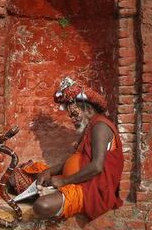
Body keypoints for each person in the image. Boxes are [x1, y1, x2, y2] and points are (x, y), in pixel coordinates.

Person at [16, 77, 124, 221]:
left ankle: (47, 194)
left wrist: (64, 182)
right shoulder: (89, 127)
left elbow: (97, 167)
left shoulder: (100, 127)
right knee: (17, 176)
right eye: (70, 115)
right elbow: (77, 159)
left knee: (42, 206)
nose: (72, 119)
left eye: (74, 114)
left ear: (88, 109)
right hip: (72, 180)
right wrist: (48, 171)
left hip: (89, 189)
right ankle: (45, 191)